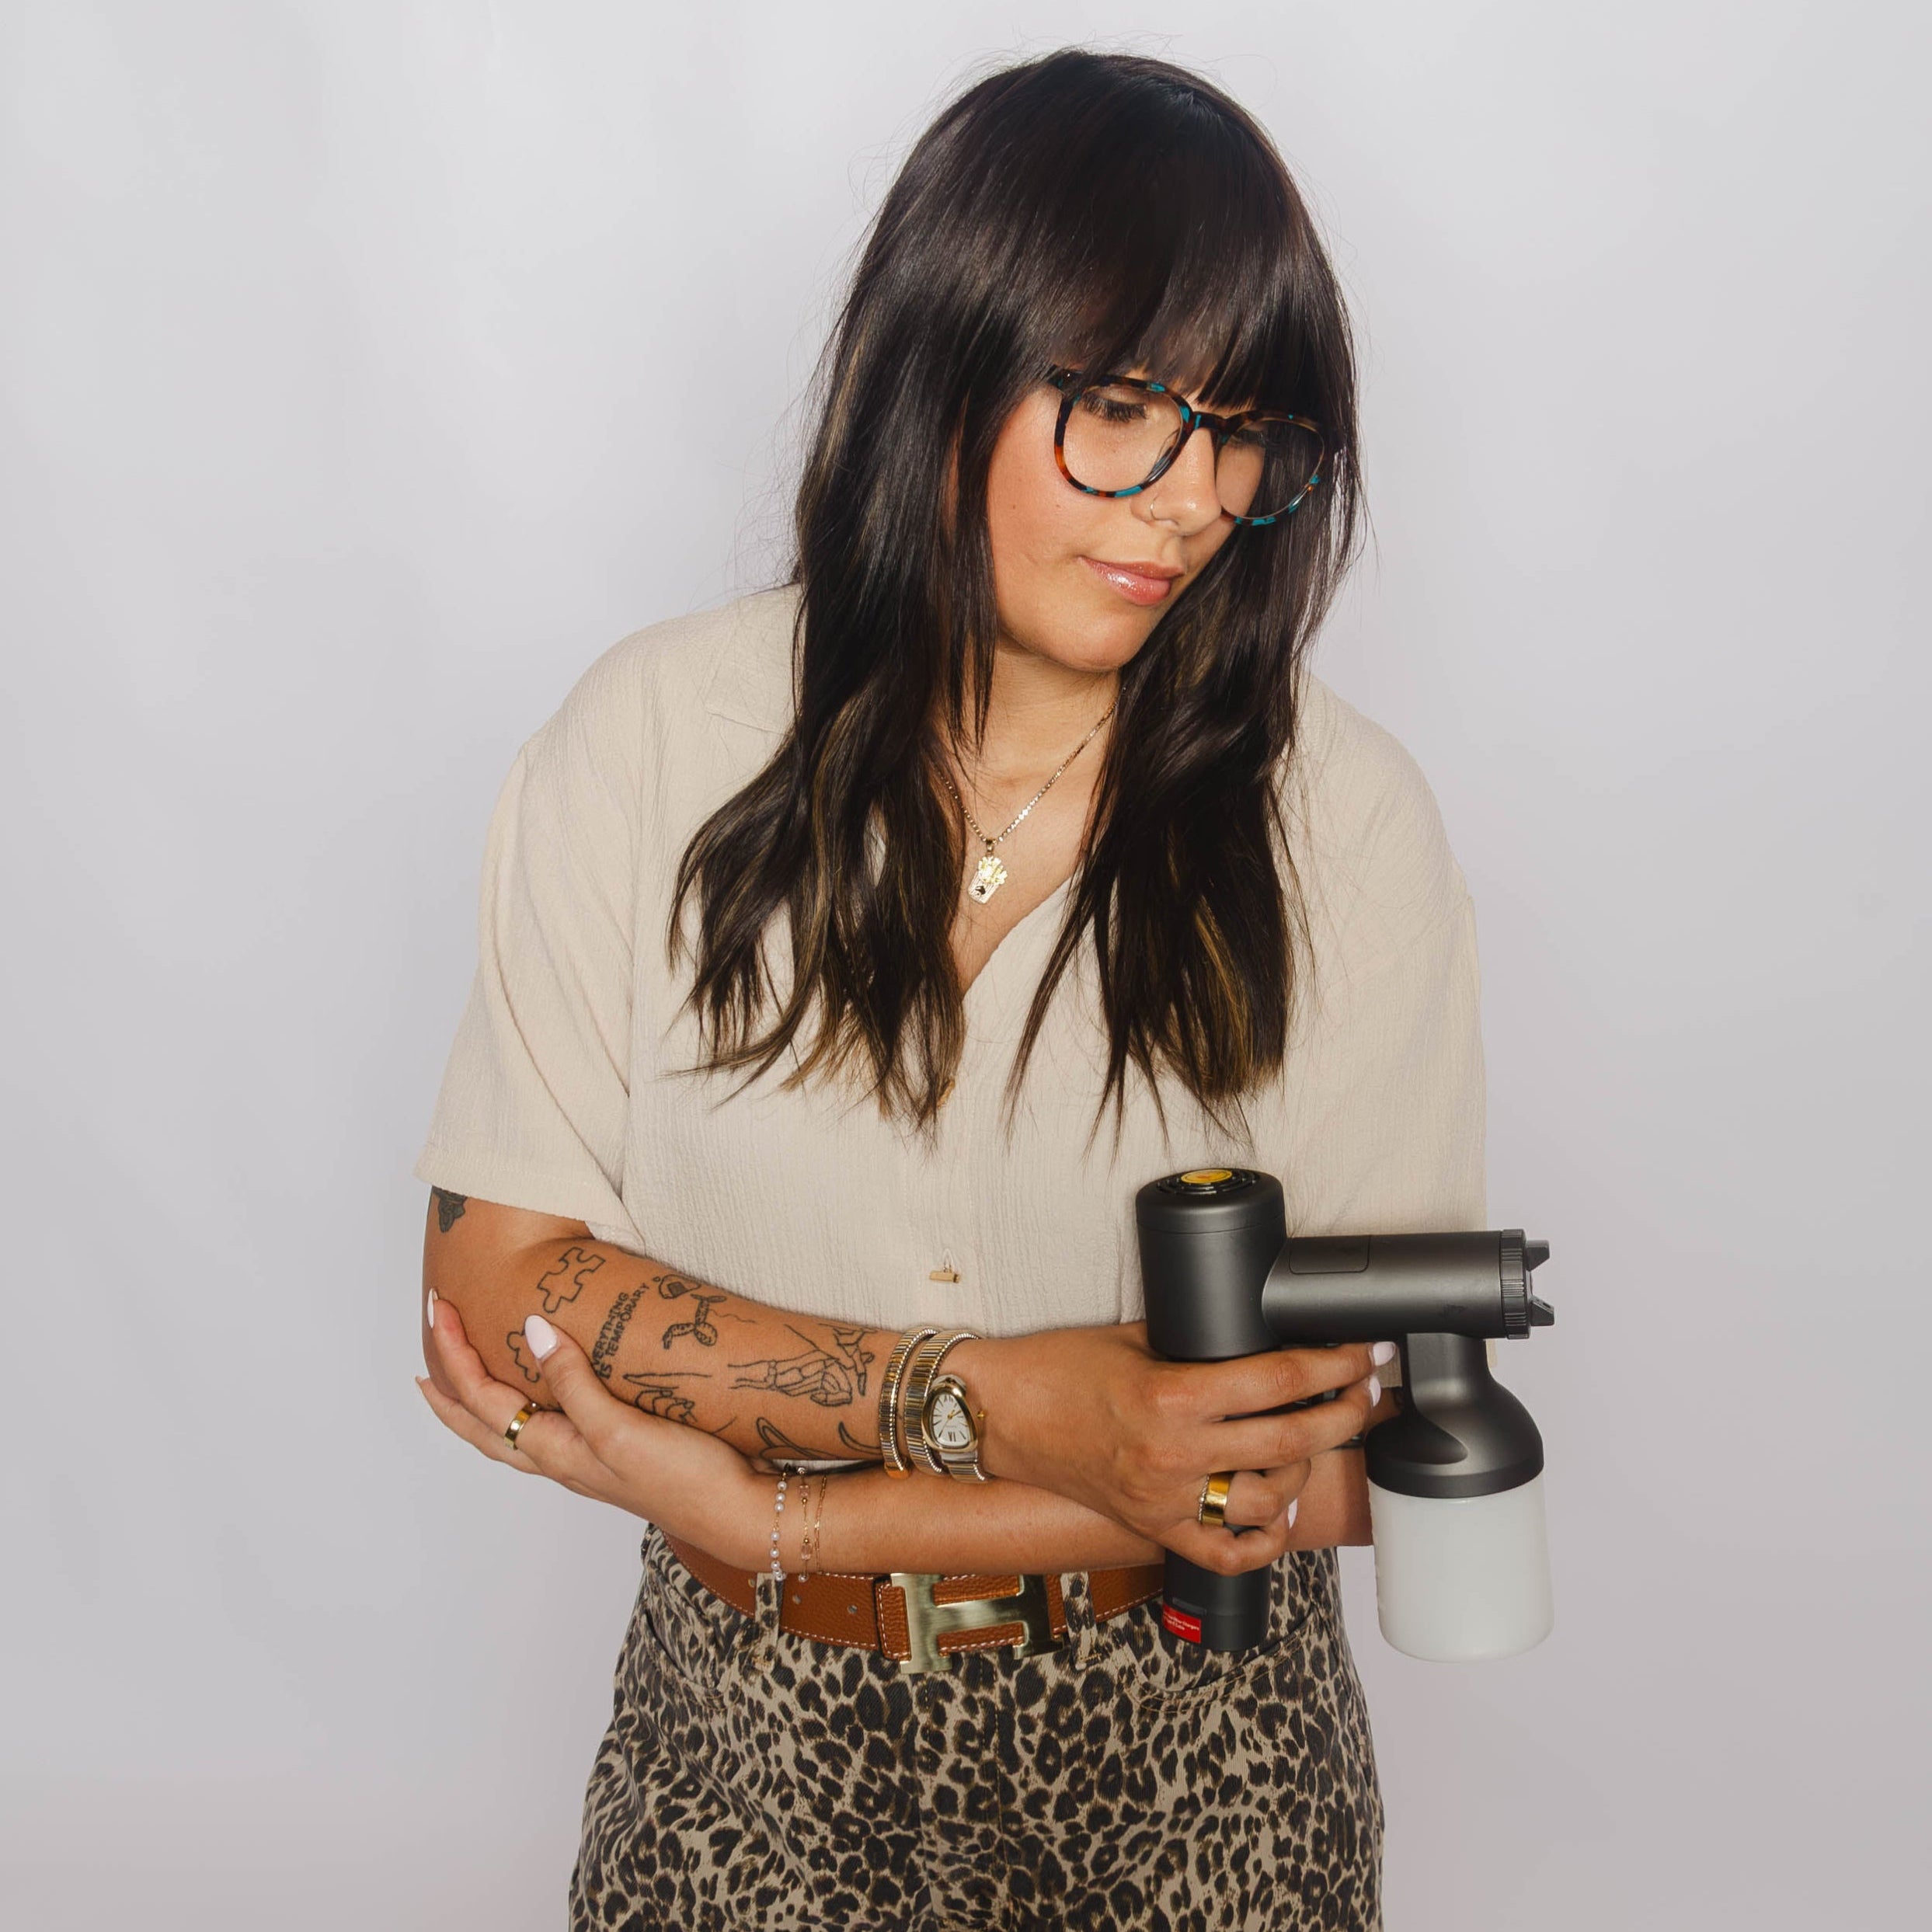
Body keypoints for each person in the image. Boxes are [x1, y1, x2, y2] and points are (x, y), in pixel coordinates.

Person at [413, 46, 1485, 1932]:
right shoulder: (652, 744)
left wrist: (773, 1512)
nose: (1186, 500)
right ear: (939, 368)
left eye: (1242, 432)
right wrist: (1009, 1403)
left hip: (1200, 1779)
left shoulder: (1342, 821)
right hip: (737, 1753)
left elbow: (1335, 1454)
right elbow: (501, 1290)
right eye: (1119, 406)